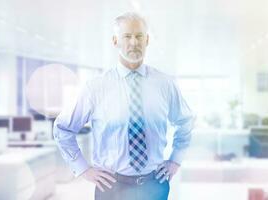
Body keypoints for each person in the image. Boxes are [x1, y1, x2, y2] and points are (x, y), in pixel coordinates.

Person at [53, 12, 195, 200]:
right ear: (115, 41)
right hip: (112, 187)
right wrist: (83, 168)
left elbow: (185, 121)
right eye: (127, 36)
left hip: (154, 185)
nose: (134, 42)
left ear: (147, 40)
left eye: (139, 36)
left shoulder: (164, 84)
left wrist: (175, 160)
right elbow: (63, 128)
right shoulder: (95, 87)